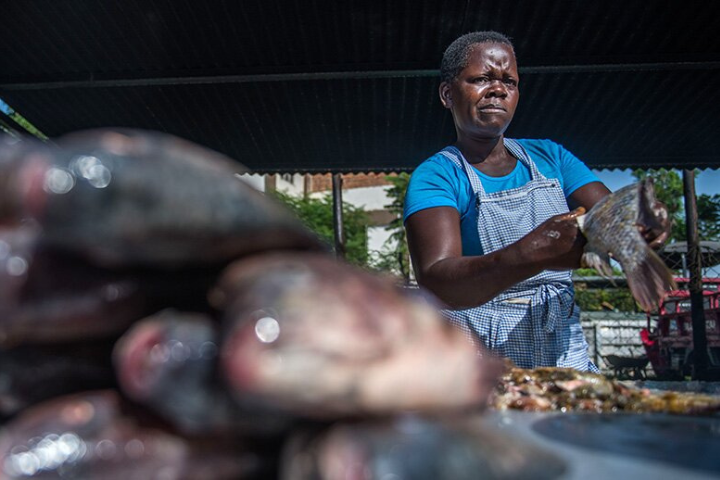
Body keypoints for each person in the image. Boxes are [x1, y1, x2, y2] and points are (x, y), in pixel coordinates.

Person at [403, 31, 669, 372]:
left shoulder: (550, 156)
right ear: (447, 94)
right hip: (479, 351)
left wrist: (642, 218)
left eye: (509, 81)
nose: (498, 89)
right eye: (482, 79)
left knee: (578, 415)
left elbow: (608, 213)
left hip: (562, 343)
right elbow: (437, 280)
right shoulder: (437, 175)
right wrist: (532, 253)